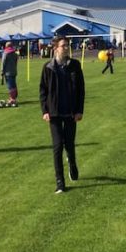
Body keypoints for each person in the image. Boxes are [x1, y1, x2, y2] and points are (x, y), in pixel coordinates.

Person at [39, 35, 85, 194]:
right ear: (55, 48)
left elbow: (81, 90)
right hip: (54, 113)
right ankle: (60, 183)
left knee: (69, 144)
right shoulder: (48, 68)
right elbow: (43, 91)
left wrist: (79, 110)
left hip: (71, 112)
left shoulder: (75, 65)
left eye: (67, 45)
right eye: (63, 45)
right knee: (58, 146)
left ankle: (72, 164)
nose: (66, 48)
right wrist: (45, 111)